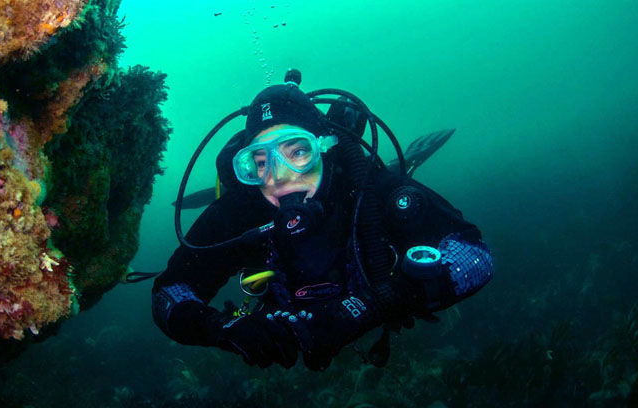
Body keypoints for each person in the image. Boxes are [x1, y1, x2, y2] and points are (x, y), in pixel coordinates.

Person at [151, 74, 494, 371]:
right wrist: (224, 329)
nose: (280, 177)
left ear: (324, 148)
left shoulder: (369, 190)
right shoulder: (242, 209)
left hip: (372, 293)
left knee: (393, 186)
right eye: (260, 161)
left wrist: (370, 307)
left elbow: (474, 256)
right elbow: (169, 293)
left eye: (298, 152)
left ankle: (407, 162)